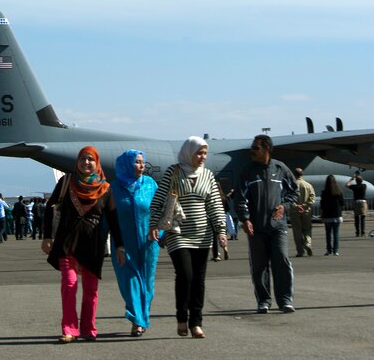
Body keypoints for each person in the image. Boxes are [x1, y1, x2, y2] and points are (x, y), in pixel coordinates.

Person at [42, 146, 126, 343]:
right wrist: (47, 236)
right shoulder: (66, 182)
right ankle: (70, 329)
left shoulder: (105, 189)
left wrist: (120, 245)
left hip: (92, 243)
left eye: (90, 159)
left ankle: (88, 328)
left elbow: (113, 219)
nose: (86, 163)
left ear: (96, 163)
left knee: (90, 289)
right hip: (67, 242)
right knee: (69, 284)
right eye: (82, 159)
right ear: (77, 162)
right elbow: (49, 208)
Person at [149, 136, 227, 339]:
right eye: (198, 153)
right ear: (188, 153)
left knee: (199, 279)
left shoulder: (208, 175)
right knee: (185, 275)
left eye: (204, 153)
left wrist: (220, 230)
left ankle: (196, 323)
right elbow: (157, 202)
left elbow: (215, 204)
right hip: (178, 233)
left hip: (202, 234)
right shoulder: (173, 172)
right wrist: (153, 225)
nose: (202, 157)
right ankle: (181, 318)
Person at [235, 134, 298, 314]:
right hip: (256, 228)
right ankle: (263, 301)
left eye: (256, 148)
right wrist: (245, 219)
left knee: (281, 260)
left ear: (266, 149)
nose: (252, 152)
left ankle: (285, 300)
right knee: (259, 265)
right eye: (252, 148)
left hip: (278, 227)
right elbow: (240, 199)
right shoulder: (247, 172)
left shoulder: (281, 169)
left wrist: (284, 206)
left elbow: (293, 192)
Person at [110, 149, 160, 337]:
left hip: (148, 244)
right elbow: (108, 218)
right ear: (126, 164)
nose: (141, 166)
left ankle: (142, 316)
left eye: (142, 162)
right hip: (123, 244)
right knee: (130, 282)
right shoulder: (113, 188)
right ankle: (137, 320)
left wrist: (160, 232)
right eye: (137, 162)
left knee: (147, 283)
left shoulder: (150, 185)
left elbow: (160, 211)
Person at [289, 168, 316, 257]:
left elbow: (288, 198)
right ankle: (308, 243)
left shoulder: (291, 185)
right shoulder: (308, 185)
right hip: (306, 211)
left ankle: (300, 251)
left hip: (294, 211)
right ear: (302, 174)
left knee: (297, 231)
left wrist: (296, 206)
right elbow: (312, 198)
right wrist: (305, 205)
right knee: (307, 229)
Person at [320, 175, 344, 256]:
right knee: (336, 233)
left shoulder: (324, 192)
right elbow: (342, 203)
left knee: (328, 233)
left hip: (327, 215)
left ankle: (329, 250)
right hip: (337, 215)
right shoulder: (339, 191)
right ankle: (336, 250)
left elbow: (322, 204)